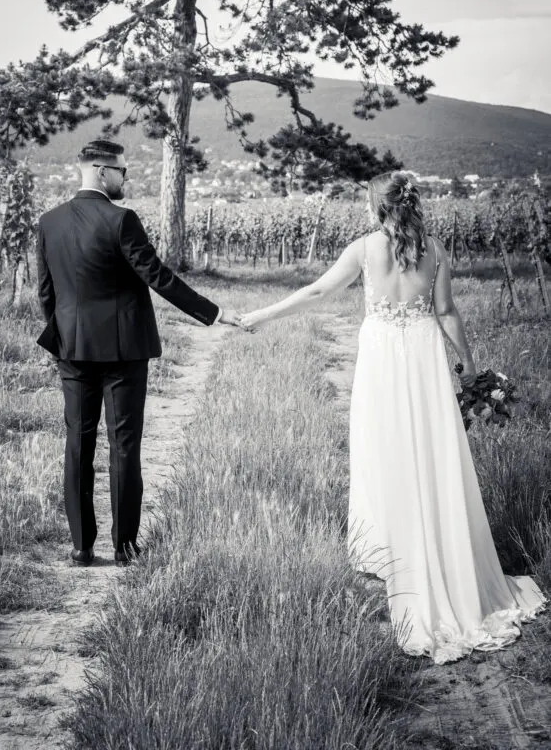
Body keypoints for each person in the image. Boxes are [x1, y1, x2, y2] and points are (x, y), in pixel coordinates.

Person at [240, 171, 546, 664]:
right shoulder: (436, 246)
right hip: (423, 357)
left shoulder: (364, 248)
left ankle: (391, 552)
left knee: (384, 451)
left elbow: (318, 292)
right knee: (432, 450)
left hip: (383, 360)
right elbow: (445, 311)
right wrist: (467, 365)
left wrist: (260, 316)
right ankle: (440, 548)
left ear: (375, 207)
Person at [36, 139, 243, 567]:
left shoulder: (49, 222)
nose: (126, 178)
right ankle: (124, 547)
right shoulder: (121, 220)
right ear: (100, 170)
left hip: (71, 351)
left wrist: (60, 338)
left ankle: (81, 547)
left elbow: (46, 293)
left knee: (78, 443)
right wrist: (213, 312)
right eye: (123, 172)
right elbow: (158, 277)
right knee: (124, 445)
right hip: (123, 353)